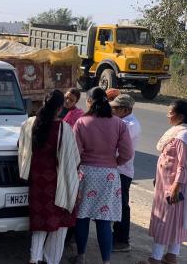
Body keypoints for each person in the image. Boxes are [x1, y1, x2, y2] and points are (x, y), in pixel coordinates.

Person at [18, 90, 80, 264]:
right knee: (58, 225)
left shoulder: (29, 123)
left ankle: (35, 258)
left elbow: (21, 148)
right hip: (58, 183)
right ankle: (51, 260)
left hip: (36, 181)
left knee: (39, 223)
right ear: (60, 108)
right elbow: (73, 159)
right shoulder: (64, 129)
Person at [73, 87, 133, 264]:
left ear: (90, 101)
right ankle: (106, 261)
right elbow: (127, 153)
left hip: (86, 173)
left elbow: (75, 153)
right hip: (109, 175)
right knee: (103, 220)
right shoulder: (119, 124)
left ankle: (81, 256)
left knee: (82, 217)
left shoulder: (82, 122)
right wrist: (114, 162)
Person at [138, 100, 187, 264]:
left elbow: (183, 165)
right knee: (176, 221)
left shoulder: (182, 136)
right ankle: (171, 256)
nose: (168, 115)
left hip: (173, 187)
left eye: (170, 113)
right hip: (168, 184)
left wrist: (175, 187)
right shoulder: (178, 132)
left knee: (164, 221)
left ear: (180, 116)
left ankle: (155, 258)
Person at [110, 94, 142, 252]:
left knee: (122, 205)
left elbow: (122, 150)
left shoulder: (129, 124)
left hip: (122, 169)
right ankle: (116, 237)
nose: (112, 111)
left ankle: (122, 240)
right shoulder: (122, 121)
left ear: (125, 110)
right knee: (116, 204)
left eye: (115, 108)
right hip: (117, 168)